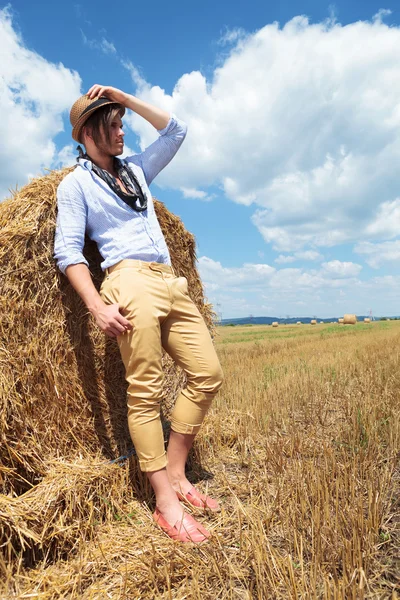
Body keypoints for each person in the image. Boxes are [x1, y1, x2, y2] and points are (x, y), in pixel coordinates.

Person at [54, 85, 224, 543]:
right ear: (87, 133)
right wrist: (96, 306)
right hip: (127, 280)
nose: (121, 129)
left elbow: (175, 132)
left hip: (170, 280)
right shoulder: (76, 185)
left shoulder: (135, 171)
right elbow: (68, 250)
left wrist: (124, 99)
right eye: (111, 123)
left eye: (121, 121)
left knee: (208, 373)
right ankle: (166, 502)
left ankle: (176, 471)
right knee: (145, 392)